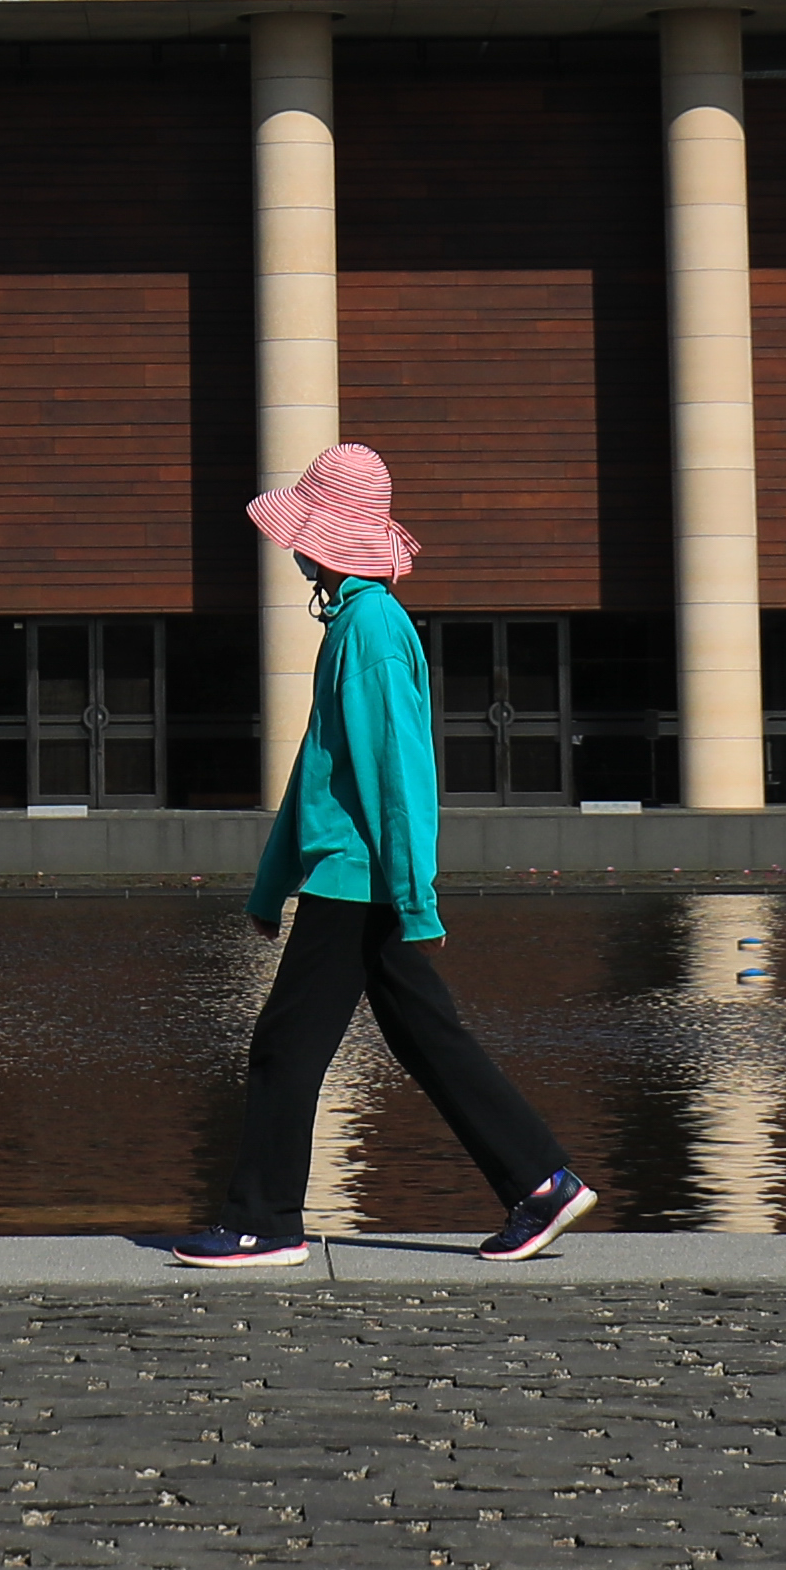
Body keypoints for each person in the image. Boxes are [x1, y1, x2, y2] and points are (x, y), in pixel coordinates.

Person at [168, 442, 598, 1269]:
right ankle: (540, 1183)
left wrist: (415, 898)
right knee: (428, 1037)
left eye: (302, 533)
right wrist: (269, 888)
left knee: (285, 1047)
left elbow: (397, 774)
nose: (293, 550)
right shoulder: (357, 624)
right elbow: (319, 772)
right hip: (358, 876)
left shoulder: (368, 630)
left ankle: (263, 1222)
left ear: (322, 540)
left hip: (358, 882)